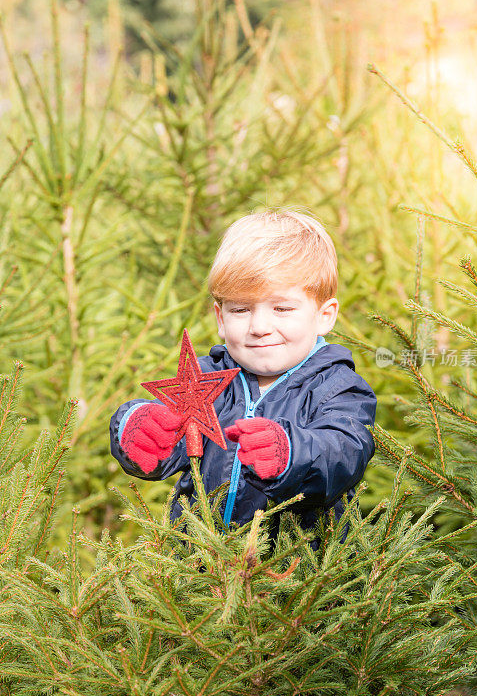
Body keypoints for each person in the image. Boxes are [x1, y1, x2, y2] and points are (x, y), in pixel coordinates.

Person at [109, 209, 377, 553]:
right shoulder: (204, 380)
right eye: (241, 310)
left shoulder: (340, 388)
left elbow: (343, 453)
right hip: (196, 572)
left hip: (295, 576)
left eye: (282, 309)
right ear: (220, 318)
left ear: (324, 315)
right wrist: (135, 427)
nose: (259, 326)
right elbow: (163, 437)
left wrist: (289, 452)